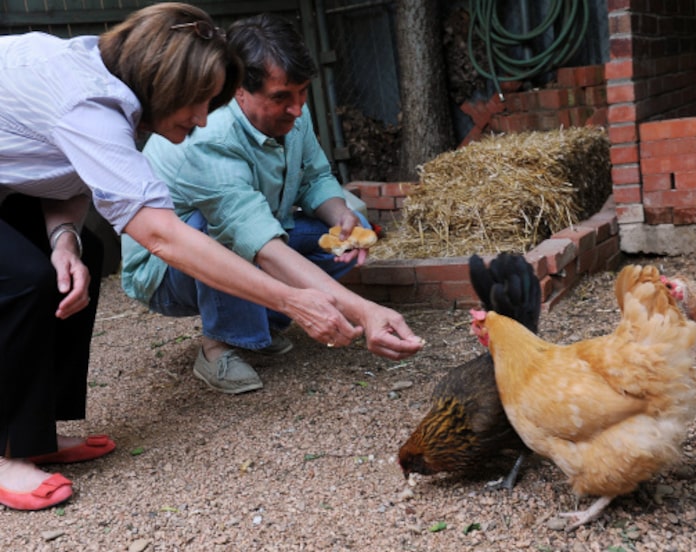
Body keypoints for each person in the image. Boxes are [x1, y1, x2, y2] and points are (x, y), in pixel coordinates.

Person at [0, 3, 422, 512]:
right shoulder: (89, 102)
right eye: (198, 102)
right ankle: (6, 456)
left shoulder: (109, 88)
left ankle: (34, 434)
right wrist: (298, 301)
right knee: (24, 278)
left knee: (74, 257)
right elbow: (163, 236)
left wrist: (64, 238)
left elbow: (61, 173)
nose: (203, 118)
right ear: (164, 81)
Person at [121, 13, 401, 395]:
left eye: (302, 93)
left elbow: (315, 177)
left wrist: (342, 216)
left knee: (342, 235)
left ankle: (262, 317)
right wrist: (363, 311)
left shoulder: (292, 117)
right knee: (224, 234)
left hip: (261, 227)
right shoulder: (210, 135)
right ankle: (219, 345)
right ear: (238, 89)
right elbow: (252, 236)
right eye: (282, 97)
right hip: (164, 272)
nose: (298, 109)